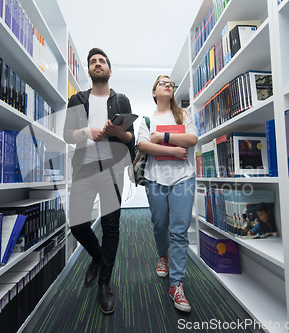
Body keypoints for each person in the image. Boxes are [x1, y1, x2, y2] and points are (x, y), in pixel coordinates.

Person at [63, 47, 135, 315]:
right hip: (83, 169)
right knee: (78, 224)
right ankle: (97, 256)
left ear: (109, 70)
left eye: (101, 61)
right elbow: (68, 134)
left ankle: (104, 284)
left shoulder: (121, 101)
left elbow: (131, 140)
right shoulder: (77, 100)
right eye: (93, 61)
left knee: (111, 228)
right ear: (89, 70)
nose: (97, 64)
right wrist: (86, 131)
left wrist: (120, 132)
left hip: (113, 171)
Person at [137, 75, 198, 312]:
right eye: (162, 83)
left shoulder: (184, 115)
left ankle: (177, 284)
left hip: (184, 178)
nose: (168, 85)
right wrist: (173, 151)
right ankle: (162, 255)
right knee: (160, 224)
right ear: (154, 92)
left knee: (179, 230)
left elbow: (191, 139)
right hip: (155, 179)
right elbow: (143, 145)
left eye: (171, 83)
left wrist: (162, 137)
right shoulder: (147, 120)